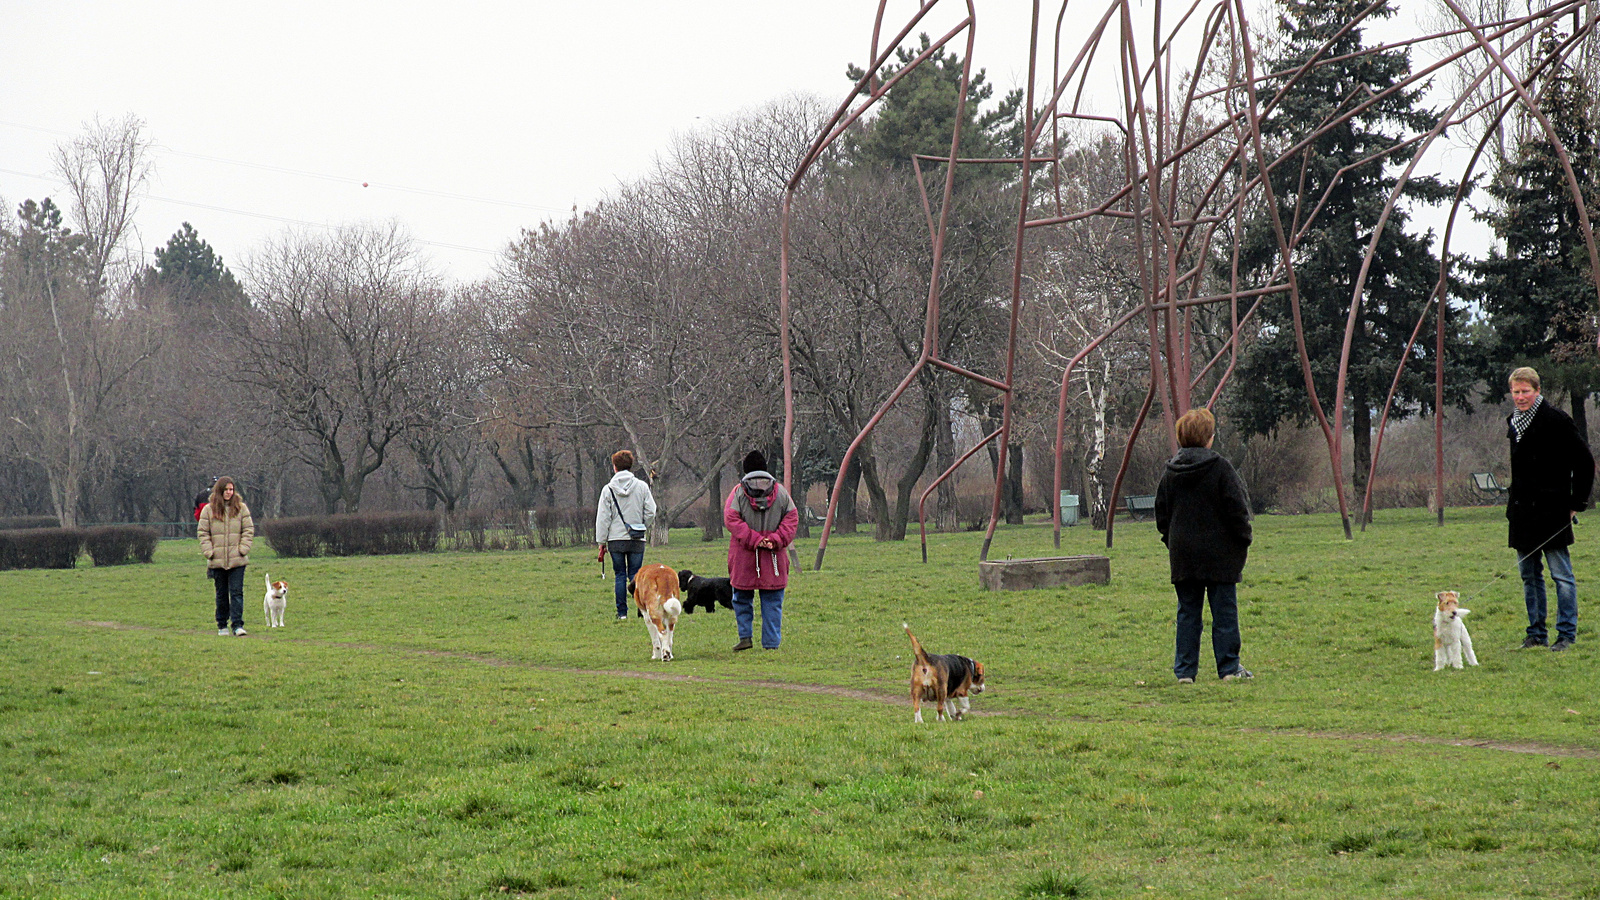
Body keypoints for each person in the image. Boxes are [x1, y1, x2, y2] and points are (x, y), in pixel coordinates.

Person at [1154, 408, 1254, 683]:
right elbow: (1237, 509)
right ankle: (1229, 668)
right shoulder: (1221, 468)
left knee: (1188, 612)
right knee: (1224, 611)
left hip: (1183, 553)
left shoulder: (1170, 472)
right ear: (1208, 438)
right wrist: (1243, 538)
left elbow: (1161, 513)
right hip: (1221, 553)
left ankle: (1185, 672)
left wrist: (1171, 540)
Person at [1506, 366, 1594, 651]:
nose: (1520, 397)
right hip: (1521, 513)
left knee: (1562, 576)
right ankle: (1536, 633)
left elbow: (1584, 462)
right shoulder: (1514, 422)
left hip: (1552, 510)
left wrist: (1576, 504)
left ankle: (1566, 635)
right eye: (1516, 392)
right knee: (1529, 576)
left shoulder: (1556, 420)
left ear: (1537, 390)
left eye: (1525, 391)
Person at [724, 450, 798, 651]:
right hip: (774, 557)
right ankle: (771, 643)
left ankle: (745, 637)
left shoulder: (738, 492)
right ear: (765, 468)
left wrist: (754, 540)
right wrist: (774, 540)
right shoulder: (781, 492)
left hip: (743, 556)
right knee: (773, 601)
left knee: (741, 599)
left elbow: (731, 519)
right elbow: (792, 519)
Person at [595, 449, 658, 621]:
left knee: (620, 575)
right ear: (630, 466)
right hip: (637, 538)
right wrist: (642, 525)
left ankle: (622, 613)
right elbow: (651, 511)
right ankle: (641, 609)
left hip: (616, 539)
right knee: (636, 575)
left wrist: (601, 541)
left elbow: (603, 518)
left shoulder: (608, 490)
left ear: (614, 467)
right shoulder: (642, 487)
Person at [197, 476, 254, 636]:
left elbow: (248, 530)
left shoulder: (241, 508)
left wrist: (243, 549)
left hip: (237, 559)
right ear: (219, 490)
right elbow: (203, 532)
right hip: (217, 560)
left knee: (236, 593)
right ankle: (222, 625)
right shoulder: (209, 510)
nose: (229, 492)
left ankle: (237, 625)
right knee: (221, 594)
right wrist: (210, 552)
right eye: (226, 489)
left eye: (231, 489)